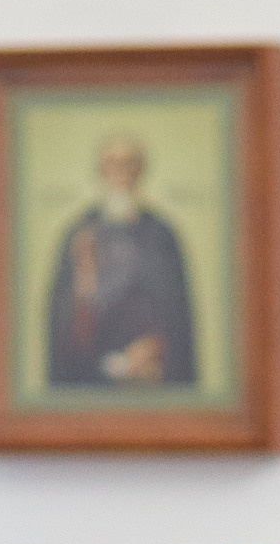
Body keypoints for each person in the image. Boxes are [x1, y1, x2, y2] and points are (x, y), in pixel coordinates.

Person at [45, 134, 198, 387]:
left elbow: (176, 315)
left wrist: (154, 349)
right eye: (112, 164)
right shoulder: (80, 232)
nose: (121, 172)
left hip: (151, 376)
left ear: (140, 170)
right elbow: (64, 317)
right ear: (101, 171)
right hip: (91, 377)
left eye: (129, 164)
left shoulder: (161, 234)